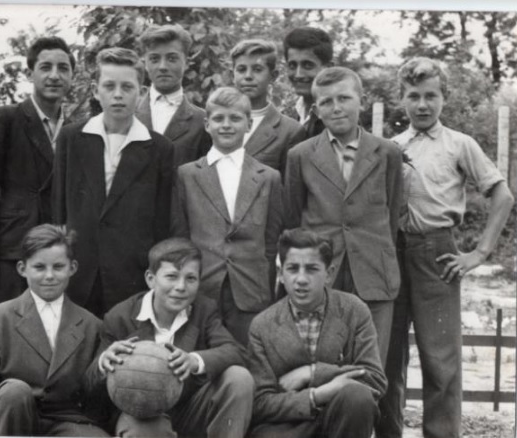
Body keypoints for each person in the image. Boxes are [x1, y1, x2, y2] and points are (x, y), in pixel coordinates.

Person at [377, 57, 514, 438]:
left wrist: (479, 253)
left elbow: (502, 196)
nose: (422, 105)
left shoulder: (459, 144)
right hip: (392, 253)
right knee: (386, 356)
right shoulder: (390, 147)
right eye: (413, 96)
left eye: (431, 96)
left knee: (440, 360)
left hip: (437, 254)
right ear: (401, 99)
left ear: (444, 97)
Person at [284, 67, 403, 361]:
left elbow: (392, 216)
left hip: (373, 272)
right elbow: (293, 220)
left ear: (362, 101)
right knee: (321, 362)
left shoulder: (388, 152)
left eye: (344, 98)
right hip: (323, 273)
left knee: (370, 363)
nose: (336, 108)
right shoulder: (300, 155)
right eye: (326, 102)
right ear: (316, 110)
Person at [86, 237, 253, 438]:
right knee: (143, 430)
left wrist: (194, 360)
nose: (181, 286)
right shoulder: (120, 317)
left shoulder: (204, 310)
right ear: (151, 279)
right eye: (172, 276)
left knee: (239, 378)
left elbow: (235, 351)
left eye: (190, 278)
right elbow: (88, 386)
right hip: (140, 413)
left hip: (187, 408)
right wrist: (103, 363)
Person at [52, 47, 174, 317]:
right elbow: (58, 209)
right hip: (79, 272)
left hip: (131, 277)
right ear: (95, 90)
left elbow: (162, 222)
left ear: (142, 92)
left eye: (127, 87)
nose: (118, 94)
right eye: (109, 86)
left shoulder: (159, 148)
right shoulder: (71, 138)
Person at [0, 224, 108, 437]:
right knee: (14, 391)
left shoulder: (92, 324)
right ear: (22, 269)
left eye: (58, 267)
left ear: (72, 268)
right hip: (11, 417)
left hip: (64, 420)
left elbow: (92, 390)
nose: (49, 276)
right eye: (39, 267)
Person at [248, 228, 386, 438]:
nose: (301, 279)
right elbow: (261, 403)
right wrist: (317, 395)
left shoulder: (353, 310)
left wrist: (312, 372)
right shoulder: (262, 325)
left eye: (312, 269)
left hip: (340, 420)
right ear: (281, 274)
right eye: (293, 269)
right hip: (288, 426)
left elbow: (374, 380)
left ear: (329, 273)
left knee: (358, 396)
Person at [0, 37, 75, 309]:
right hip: (13, 250)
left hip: (58, 254)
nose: (55, 76)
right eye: (46, 67)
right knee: (7, 327)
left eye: (63, 68)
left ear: (72, 76)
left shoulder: (77, 129)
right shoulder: (6, 119)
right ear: (30, 74)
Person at [172, 87, 283, 344]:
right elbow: (181, 235)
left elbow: (271, 241)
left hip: (250, 290)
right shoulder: (187, 175)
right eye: (219, 118)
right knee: (201, 355)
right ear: (207, 124)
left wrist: (264, 285)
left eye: (235, 118)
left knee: (248, 357)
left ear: (249, 124)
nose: (226, 125)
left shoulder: (268, 177)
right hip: (203, 286)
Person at [136, 24, 211, 166]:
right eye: (154, 59)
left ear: (186, 63)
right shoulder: (127, 115)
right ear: (145, 63)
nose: (163, 67)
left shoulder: (202, 122)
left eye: (171, 59)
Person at [230, 39, 305, 177]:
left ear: (273, 76)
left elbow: (290, 186)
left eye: (257, 69)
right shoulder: (214, 121)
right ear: (232, 75)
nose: (248, 76)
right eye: (241, 69)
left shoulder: (290, 131)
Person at [283, 26, 333, 138]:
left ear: (328, 69)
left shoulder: (338, 117)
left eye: (307, 65)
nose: (298, 75)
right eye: (292, 65)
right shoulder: (290, 113)